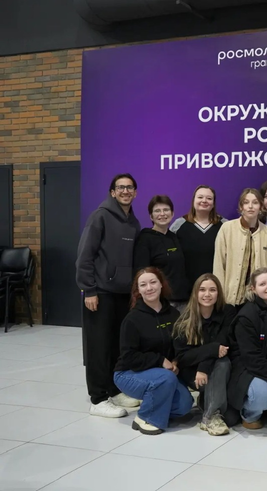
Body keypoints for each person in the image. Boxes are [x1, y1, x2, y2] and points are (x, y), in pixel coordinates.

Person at [75, 173, 142, 418]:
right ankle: (98, 398)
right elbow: (84, 256)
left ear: (135, 192)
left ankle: (114, 390)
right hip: (100, 293)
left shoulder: (134, 222)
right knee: (98, 347)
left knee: (116, 345)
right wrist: (89, 290)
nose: (125, 191)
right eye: (120, 187)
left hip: (123, 295)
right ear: (112, 192)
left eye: (130, 187)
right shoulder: (100, 216)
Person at [113, 267, 193, 435]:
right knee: (166, 378)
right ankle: (146, 417)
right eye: (143, 285)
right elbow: (129, 357)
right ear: (138, 290)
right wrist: (160, 360)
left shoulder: (173, 314)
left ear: (161, 284)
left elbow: (179, 345)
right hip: (129, 373)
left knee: (184, 404)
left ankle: (152, 403)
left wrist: (176, 361)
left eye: (153, 282)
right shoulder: (132, 319)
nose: (149, 288)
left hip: (163, 374)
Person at [226, 268, 267, 428]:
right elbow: (252, 358)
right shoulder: (246, 316)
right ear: (253, 289)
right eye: (262, 284)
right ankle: (249, 415)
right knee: (265, 396)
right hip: (247, 368)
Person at [173, 273, 237, 436]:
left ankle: (206, 404)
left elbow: (223, 345)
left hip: (214, 372)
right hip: (194, 374)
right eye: (202, 290)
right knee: (221, 362)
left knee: (231, 418)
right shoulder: (185, 319)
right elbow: (182, 357)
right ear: (195, 293)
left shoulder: (228, 312)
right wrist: (211, 350)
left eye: (212, 290)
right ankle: (210, 417)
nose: (207, 294)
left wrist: (204, 366)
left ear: (218, 293)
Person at [214, 188, 267, 307]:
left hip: (260, 301)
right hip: (230, 299)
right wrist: (219, 296)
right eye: (246, 202)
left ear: (261, 207)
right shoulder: (227, 229)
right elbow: (219, 265)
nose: (250, 206)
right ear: (241, 207)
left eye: (255, 202)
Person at [134, 195, 190, 310]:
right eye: (157, 211)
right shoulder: (145, 239)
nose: (162, 214)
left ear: (172, 213)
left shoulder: (174, 237)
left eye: (166, 210)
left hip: (183, 301)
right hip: (161, 302)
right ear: (151, 216)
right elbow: (141, 273)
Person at [170, 185, 226, 287]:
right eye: (200, 197)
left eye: (209, 198)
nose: (204, 201)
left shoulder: (225, 225)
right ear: (193, 201)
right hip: (186, 288)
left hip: (215, 287)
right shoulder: (179, 224)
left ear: (213, 203)